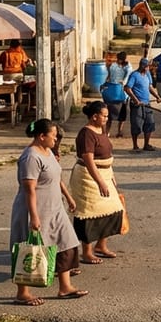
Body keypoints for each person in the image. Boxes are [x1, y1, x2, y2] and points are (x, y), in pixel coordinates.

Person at [10, 118, 86, 305]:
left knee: (67, 244)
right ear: (41, 136)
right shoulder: (31, 157)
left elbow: (56, 176)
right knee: (29, 250)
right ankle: (23, 293)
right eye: (52, 136)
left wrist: (68, 197)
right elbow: (29, 188)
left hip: (55, 208)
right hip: (35, 209)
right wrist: (34, 216)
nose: (55, 139)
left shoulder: (48, 152)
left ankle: (65, 287)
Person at [69, 101, 125, 265]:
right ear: (94, 117)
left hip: (105, 173)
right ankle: (87, 252)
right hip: (88, 176)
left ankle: (101, 245)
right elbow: (88, 160)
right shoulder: (86, 134)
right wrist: (99, 181)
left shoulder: (103, 129)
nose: (106, 119)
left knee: (113, 209)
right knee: (89, 214)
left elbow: (107, 153)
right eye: (104, 116)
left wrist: (111, 176)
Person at [124, 58, 159, 152]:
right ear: (143, 66)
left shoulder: (147, 75)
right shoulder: (134, 75)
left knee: (149, 123)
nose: (148, 68)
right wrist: (136, 100)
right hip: (137, 105)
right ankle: (135, 146)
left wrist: (157, 97)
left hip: (147, 104)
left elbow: (149, 87)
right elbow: (127, 88)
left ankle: (146, 144)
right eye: (147, 66)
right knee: (136, 125)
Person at [100, 52, 131, 138]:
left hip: (119, 93)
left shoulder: (126, 67)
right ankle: (115, 132)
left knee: (117, 114)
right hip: (120, 93)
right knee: (118, 115)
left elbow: (126, 77)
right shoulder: (116, 66)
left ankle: (111, 132)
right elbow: (109, 77)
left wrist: (107, 84)